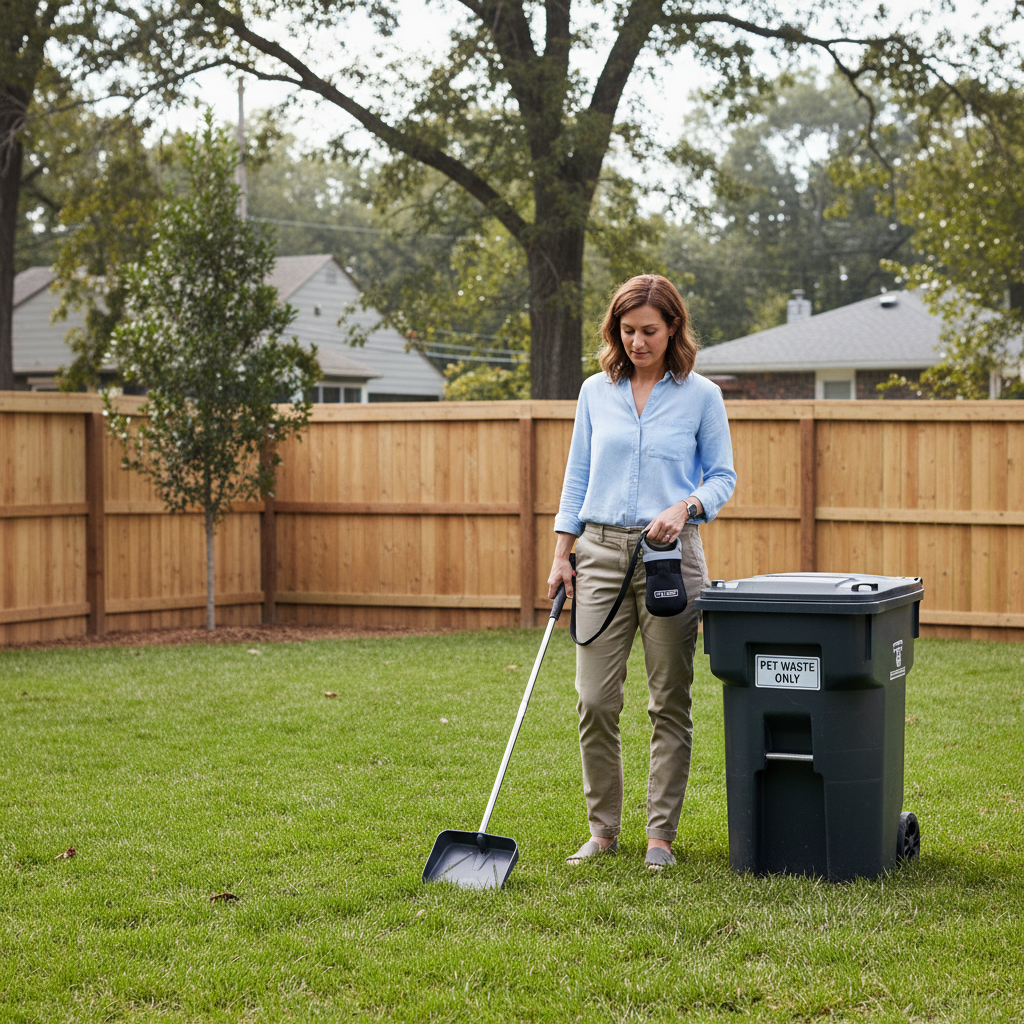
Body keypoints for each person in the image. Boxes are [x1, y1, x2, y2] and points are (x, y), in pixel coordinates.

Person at [548, 274, 736, 870]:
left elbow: (723, 478)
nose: (637, 342)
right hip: (600, 553)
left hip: (670, 560)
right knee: (595, 700)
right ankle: (603, 831)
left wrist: (685, 506)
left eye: (649, 330)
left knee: (668, 701)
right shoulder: (593, 393)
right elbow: (577, 477)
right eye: (627, 330)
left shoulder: (702, 396)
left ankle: (660, 838)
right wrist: (561, 552)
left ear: (673, 327)